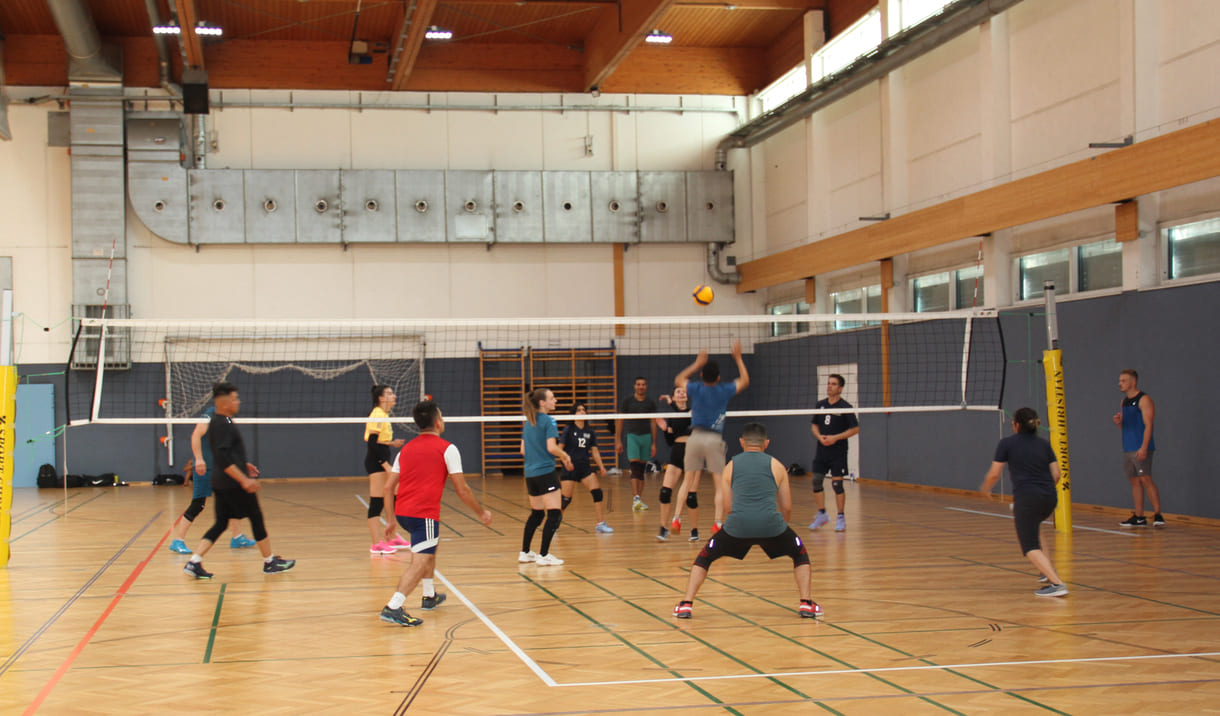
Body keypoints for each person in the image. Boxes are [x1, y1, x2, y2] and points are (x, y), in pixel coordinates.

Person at [673, 422, 819, 620]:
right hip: (772, 526)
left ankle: (686, 605)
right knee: (800, 553)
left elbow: (728, 507)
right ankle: (806, 604)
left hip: (737, 527)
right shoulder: (777, 466)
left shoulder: (730, 466)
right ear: (766, 443)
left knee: (704, 558)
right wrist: (781, 528)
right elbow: (787, 507)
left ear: (742, 442)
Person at [378, 400, 493, 626]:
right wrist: (480, 512)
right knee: (420, 561)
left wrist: (391, 520)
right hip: (423, 515)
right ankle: (393, 606)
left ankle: (429, 595)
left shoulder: (405, 449)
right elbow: (463, 489)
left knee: (430, 548)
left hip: (403, 513)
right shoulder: (448, 449)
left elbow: (388, 487)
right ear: (438, 423)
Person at [183, 382, 295, 579]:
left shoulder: (223, 421)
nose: (238, 402)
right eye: (235, 398)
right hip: (231, 483)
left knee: (220, 524)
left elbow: (227, 453)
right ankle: (269, 562)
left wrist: (244, 464)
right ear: (225, 403)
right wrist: (244, 479)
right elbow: (224, 458)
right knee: (256, 516)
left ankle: (194, 562)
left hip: (222, 480)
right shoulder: (220, 424)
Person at [979, 407, 1068, 597]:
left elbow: (995, 473)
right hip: (1049, 497)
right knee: (1036, 529)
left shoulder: (1007, 443)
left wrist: (985, 488)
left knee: (1029, 546)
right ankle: (1046, 573)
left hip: (1027, 498)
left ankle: (1057, 583)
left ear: (1016, 425)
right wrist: (1043, 489)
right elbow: (1057, 474)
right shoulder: (1044, 444)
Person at [673, 339, 749, 535]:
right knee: (719, 482)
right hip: (714, 439)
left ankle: (676, 518)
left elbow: (679, 379)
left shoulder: (696, 388)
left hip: (695, 437)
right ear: (719, 377)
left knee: (687, 480)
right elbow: (745, 381)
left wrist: (696, 363)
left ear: (702, 375)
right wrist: (738, 359)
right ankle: (717, 522)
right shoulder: (724, 389)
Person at [168, 401, 256, 554]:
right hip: (206, 467)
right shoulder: (210, 414)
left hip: (222, 467)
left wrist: (242, 463)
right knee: (198, 504)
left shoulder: (227, 419)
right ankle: (178, 541)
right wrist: (199, 459)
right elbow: (196, 435)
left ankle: (237, 537)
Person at [520, 388, 573, 566]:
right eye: (552, 398)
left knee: (536, 514)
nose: (555, 400)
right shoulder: (549, 421)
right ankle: (543, 555)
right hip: (545, 473)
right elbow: (552, 447)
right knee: (554, 514)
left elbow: (522, 450)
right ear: (542, 403)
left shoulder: (529, 422)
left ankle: (525, 552)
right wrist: (565, 456)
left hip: (530, 474)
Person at [808, 374, 859, 532]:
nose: (829, 386)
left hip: (838, 452)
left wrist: (835, 438)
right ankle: (822, 514)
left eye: (834, 384)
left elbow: (855, 429)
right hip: (822, 450)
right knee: (816, 481)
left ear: (840, 388)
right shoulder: (820, 405)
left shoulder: (845, 407)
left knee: (837, 484)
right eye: (829, 383)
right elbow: (814, 425)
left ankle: (841, 517)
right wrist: (820, 437)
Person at [1113, 369, 1163, 527]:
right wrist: (1119, 423)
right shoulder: (1124, 402)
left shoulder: (1144, 399)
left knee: (1146, 478)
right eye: (1120, 380)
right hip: (1128, 447)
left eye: (1123, 381)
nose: (1120, 383)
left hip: (1141, 447)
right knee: (1134, 481)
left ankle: (1158, 515)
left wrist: (1144, 447)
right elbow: (1128, 427)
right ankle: (1139, 516)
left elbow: (1149, 425)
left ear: (1133, 382)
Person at [364, 385, 408, 555]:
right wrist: (385, 464)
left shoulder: (384, 415)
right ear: (381, 398)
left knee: (395, 496)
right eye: (389, 393)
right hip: (376, 463)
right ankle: (376, 544)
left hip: (382, 460)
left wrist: (391, 443)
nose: (394, 396)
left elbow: (379, 442)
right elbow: (372, 443)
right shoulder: (376, 414)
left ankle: (392, 536)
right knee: (377, 502)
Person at [559, 402, 613, 534]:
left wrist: (601, 467)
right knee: (565, 499)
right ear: (573, 414)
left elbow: (594, 451)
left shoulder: (590, 431)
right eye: (579, 410)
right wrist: (566, 461)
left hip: (584, 468)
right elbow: (559, 449)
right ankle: (554, 523)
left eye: (584, 410)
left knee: (597, 492)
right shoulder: (568, 429)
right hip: (570, 468)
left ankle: (600, 523)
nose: (582, 412)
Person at [655, 387, 695, 541]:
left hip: (692, 452)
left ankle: (693, 530)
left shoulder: (693, 412)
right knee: (665, 493)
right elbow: (670, 442)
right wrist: (665, 429)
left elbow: (685, 420)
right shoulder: (672, 415)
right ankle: (663, 528)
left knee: (691, 496)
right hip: (677, 452)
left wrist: (672, 403)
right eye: (678, 391)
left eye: (684, 391)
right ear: (674, 396)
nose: (682, 393)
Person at [615, 377, 657, 511]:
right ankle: (636, 498)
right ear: (634, 386)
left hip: (646, 437)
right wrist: (618, 440)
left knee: (641, 470)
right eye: (638, 384)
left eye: (643, 384)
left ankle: (639, 498)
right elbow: (620, 421)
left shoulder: (650, 402)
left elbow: (653, 422)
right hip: (632, 436)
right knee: (634, 466)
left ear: (646, 386)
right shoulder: (627, 401)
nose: (641, 387)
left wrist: (654, 443)